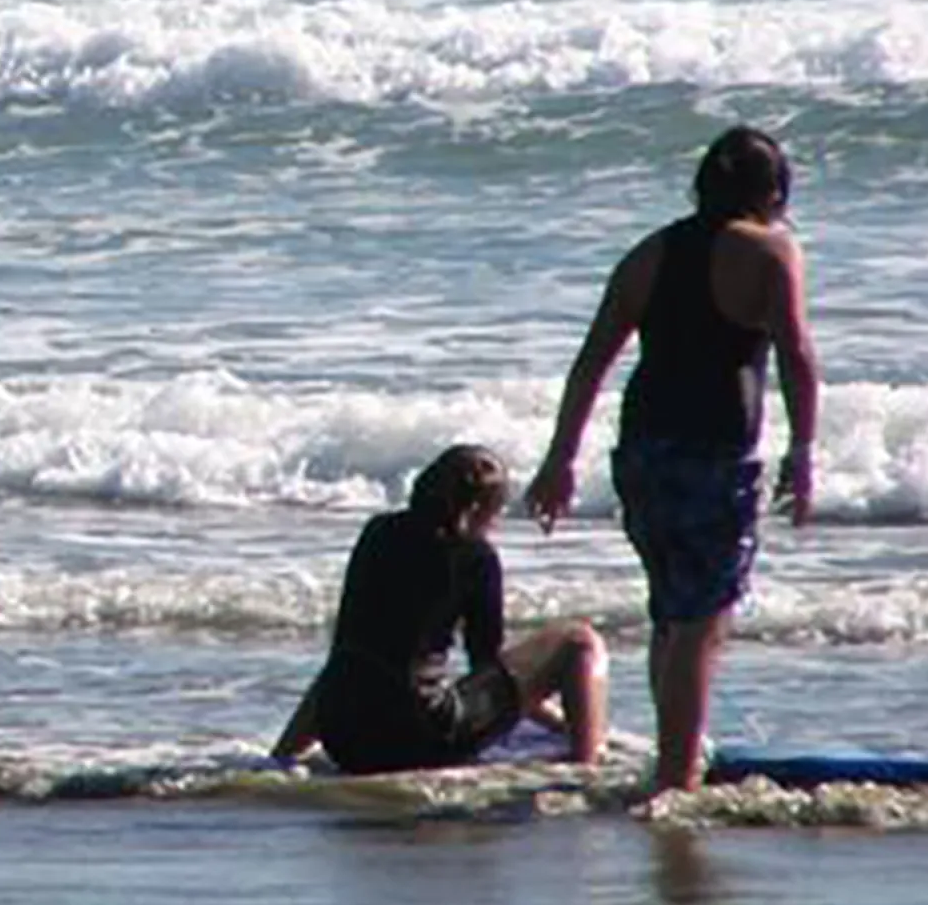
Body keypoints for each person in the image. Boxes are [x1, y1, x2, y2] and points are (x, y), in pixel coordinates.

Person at [524, 125, 820, 793]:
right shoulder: (772, 251)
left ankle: (672, 758)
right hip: (712, 453)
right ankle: (676, 776)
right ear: (772, 192)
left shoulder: (648, 254)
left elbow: (590, 363)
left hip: (643, 454)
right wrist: (802, 452)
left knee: (671, 613)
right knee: (702, 619)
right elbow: (797, 358)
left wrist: (560, 460)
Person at [271, 443, 609, 774]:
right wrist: (558, 722)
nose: (495, 524)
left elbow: (347, 647)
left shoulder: (377, 532)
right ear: (477, 508)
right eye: (496, 513)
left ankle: (281, 756)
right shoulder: (476, 556)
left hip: (344, 739)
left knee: (355, 657)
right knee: (578, 641)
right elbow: (486, 665)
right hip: (421, 738)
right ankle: (587, 764)